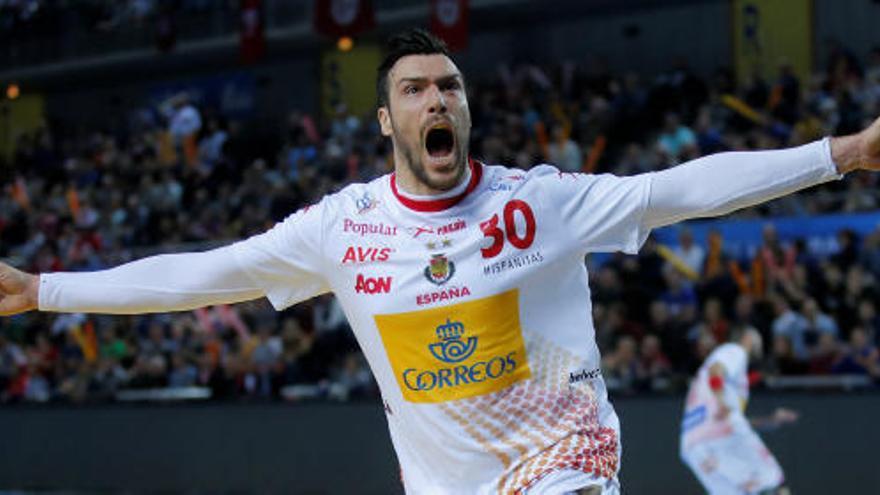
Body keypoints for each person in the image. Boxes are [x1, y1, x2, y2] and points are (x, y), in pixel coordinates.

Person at [0, 28, 878, 494]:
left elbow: (681, 189)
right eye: (415, 89)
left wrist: (840, 153)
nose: (436, 98)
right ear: (387, 120)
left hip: (564, 462)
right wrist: (44, 289)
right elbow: (202, 276)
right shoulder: (340, 230)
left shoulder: (538, 203)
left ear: (465, 105)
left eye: (448, 85)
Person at [680, 327, 798, 494]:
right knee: (773, 480)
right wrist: (721, 400)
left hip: (692, 447)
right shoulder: (734, 350)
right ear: (748, 338)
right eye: (759, 339)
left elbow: (735, 421)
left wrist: (772, 419)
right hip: (720, 437)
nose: (761, 345)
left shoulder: (726, 383)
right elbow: (716, 371)